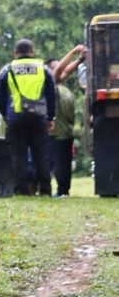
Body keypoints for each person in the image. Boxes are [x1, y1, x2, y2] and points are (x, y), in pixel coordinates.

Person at [0, 38, 56, 195]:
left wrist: (6, 115)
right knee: (41, 154)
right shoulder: (43, 68)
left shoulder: (7, 69)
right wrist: (50, 117)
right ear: (32, 52)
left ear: (15, 53)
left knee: (19, 155)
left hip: (15, 117)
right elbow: (51, 94)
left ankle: (21, 189)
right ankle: (46, 190)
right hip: (39, 118)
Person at [48, 44, 85, 197]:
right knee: (57, 164)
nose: (61, 68)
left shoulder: (64, 88)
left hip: (66, 132)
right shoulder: (51, 85)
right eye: (55, 67)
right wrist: (74, 51)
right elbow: (58, 72)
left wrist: (80, 60)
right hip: (55, 133)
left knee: (65, 165)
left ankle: (64, 191)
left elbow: (65, 71)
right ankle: (53, 191)